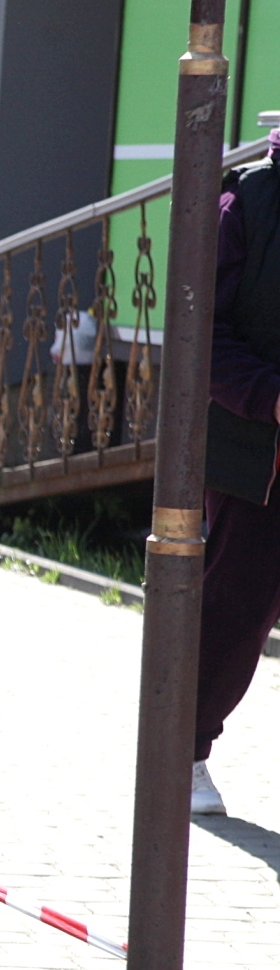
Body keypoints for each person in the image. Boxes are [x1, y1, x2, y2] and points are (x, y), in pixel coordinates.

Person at [190, 128, 280, 816]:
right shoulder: (244, 205)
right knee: (235, 611)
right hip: (261, 455)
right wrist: (271, 396)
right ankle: (184, 751)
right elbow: (206, 336)